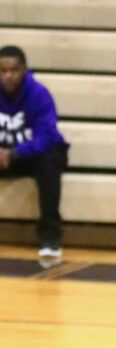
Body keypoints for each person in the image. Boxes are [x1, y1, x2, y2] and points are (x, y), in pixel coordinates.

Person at [0, 45, 69, 268]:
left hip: (30, 156)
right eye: (2, 70)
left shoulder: (39, 94)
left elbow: (45, 137)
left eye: (14, 70)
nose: (8, 76)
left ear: (24, 70)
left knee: (50, 160)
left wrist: (15, 153)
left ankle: (50, 238)